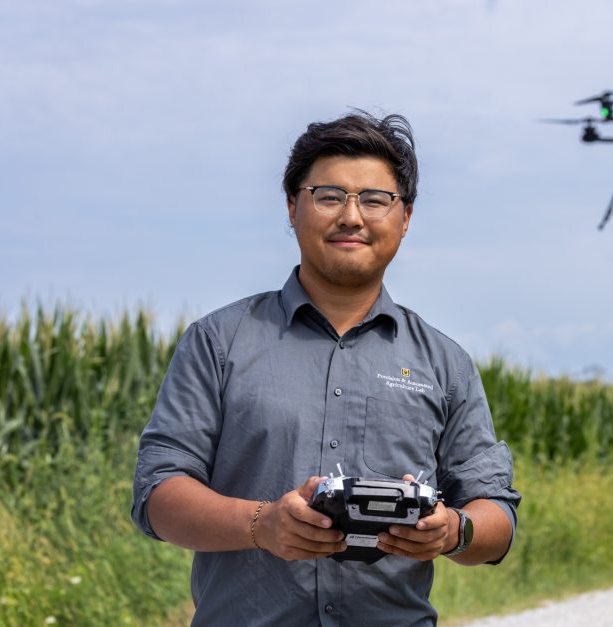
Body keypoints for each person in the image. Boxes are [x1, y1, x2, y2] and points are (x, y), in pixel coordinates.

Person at [131, 111, 521, 626]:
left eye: (375, 199)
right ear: (293, 208)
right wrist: (262, 523)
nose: (352, 217)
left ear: (405, 219)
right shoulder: (218, 341)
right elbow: (158, 491)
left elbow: (496, 511)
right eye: (329, 196)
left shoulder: (444, 362)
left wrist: (453, 531)